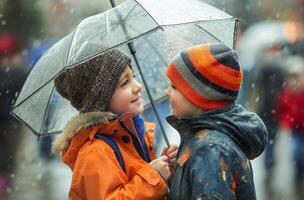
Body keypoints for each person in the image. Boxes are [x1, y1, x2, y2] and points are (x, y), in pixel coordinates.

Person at [52, 49, 177, 200]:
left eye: (134, 77)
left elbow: (134, 177)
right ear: (101, 101)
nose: (138, 86)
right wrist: (154, 177)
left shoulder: (129, 134)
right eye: (125, 83)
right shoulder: (96, 152)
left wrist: (165, 166)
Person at [165, 43, 268, 199]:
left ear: (198, 97)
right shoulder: (207, 142)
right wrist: (179, 173)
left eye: (174, 87)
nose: (167, 93)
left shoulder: (210, 151)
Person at [274, 55, 304, 197]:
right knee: (297, 154)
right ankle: (299, 176)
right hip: (295, 131)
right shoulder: (287, 93)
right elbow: (282, 110)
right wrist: (286, 122)